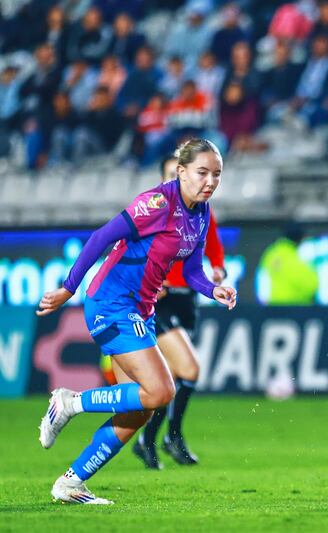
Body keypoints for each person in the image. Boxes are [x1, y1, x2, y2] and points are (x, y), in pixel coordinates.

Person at [37, 139, 237, 505]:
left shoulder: (201, 213)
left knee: (138, 410)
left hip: (140, 309)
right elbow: (101, 237)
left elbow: (191, 270)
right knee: (162, 391)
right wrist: (68, 288)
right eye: (202, 172)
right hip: (111, 302)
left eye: (217, 174)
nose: (210, 181)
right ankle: (69, 403)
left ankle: (71, 483)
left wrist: (213, 289)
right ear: (181, 172)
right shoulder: (158, 203)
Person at [130, 154, 227, 470]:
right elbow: (129, 248)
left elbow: (213, 242)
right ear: (163, 179)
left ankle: (147, 441)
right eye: (172, 174)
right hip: (160, 301)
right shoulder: (155, 210)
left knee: (171, 378)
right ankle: (172, 436)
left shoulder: (201, 210)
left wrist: (219, 268)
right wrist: (146, 279)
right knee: (190, 369)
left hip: (187, 299)